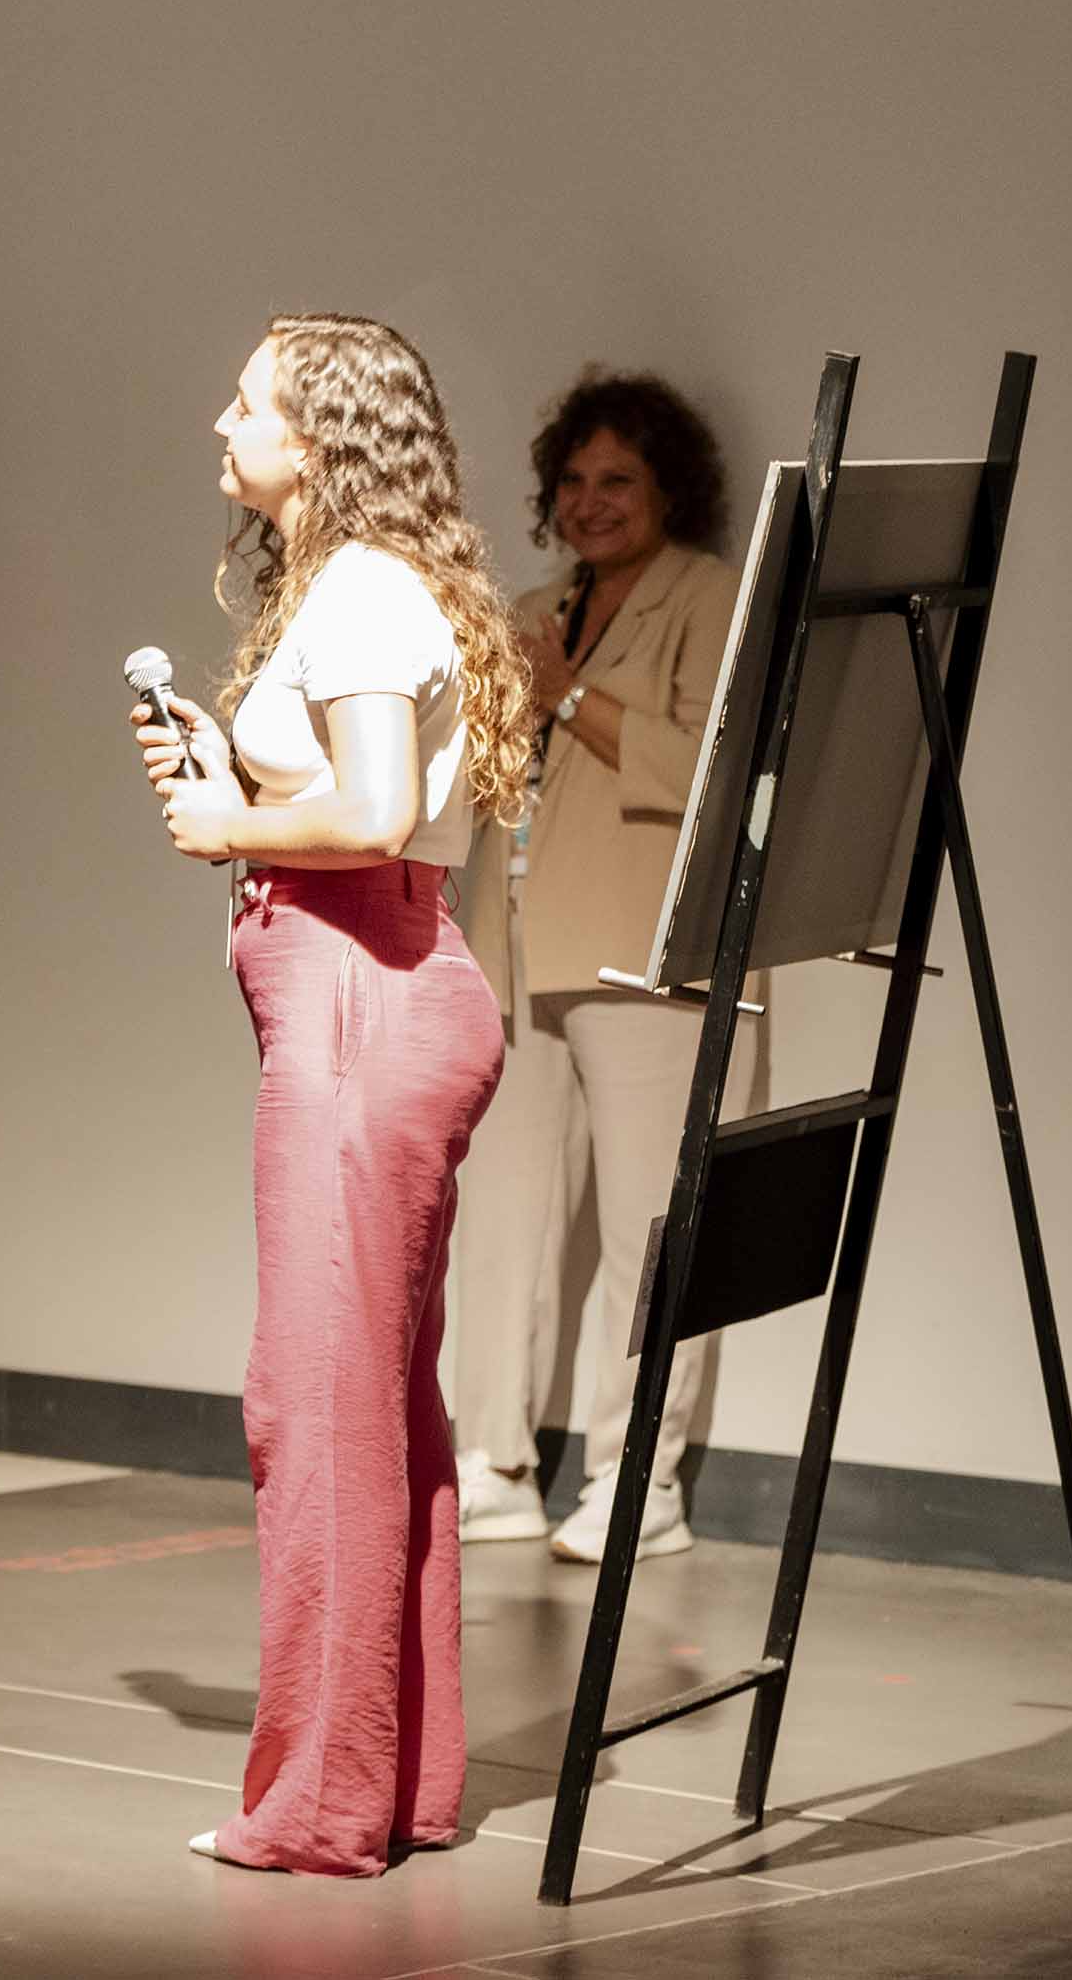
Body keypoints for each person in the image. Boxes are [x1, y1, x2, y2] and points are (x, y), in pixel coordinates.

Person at [129, 313, 527, 1878]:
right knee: (372, 1404)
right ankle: (393, 1779)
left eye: (247, 403)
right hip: (375, 990)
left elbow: (367, 813)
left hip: (365, 998)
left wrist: (230, 824)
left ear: (317, 436)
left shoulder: (359, 587)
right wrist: (236, 782)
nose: (220, 422)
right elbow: (365, 802)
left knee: (314, 1408)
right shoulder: (365, 584)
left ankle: (317, 1802)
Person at [451, 371, 756, 1563]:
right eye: (573, 481)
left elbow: (712, 767)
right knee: (502, 1224)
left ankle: (640, 1485)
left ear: (669, 488)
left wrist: (567, 694)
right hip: (515, 946)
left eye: (617, 479)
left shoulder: (711, 597)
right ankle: (494, 1464)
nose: (590, 501)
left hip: (645, 956)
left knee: (650, 1231)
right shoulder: (538, 608)